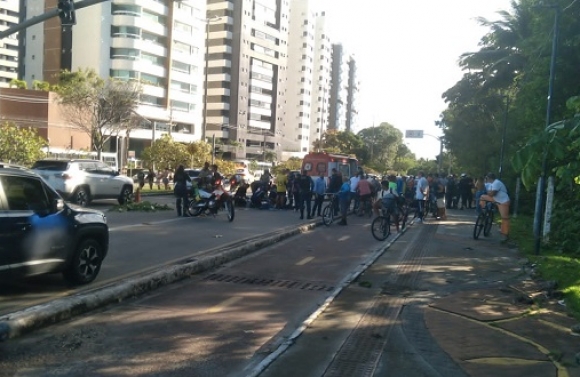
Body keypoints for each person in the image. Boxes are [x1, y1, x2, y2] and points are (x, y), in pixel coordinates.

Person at [479, 172, 510, 242]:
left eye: (486, 178)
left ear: (489, 178)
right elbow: (481, 188)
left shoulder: (497, 183)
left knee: (504, 218)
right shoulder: (490, 183)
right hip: (495, 199)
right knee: (482, 197)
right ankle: (484, 210)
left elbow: (492, 193)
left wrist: (489, 192)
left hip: (502, 201)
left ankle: (505, 234)